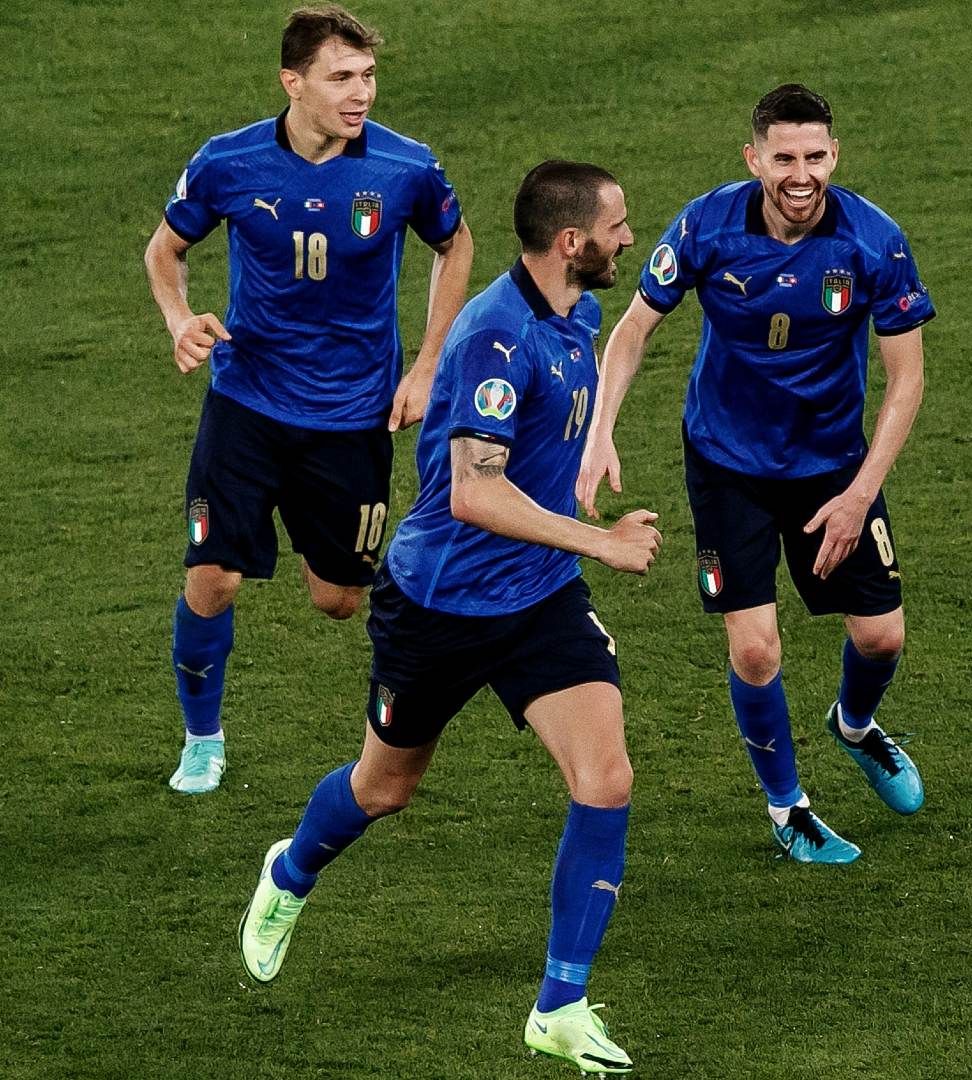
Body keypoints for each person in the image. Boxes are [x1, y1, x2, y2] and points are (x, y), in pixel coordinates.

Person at [238, 160, 658, 1075]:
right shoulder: (493, 338)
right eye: (619, 226)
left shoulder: (576, 317)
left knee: (607, 776)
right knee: (384, 788)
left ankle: (560, 1004)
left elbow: (546, 437)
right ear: (572, 242)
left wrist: (593, 448)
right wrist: (600, 542)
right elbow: (473, 495)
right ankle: (290, 874)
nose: (631, 237)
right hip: (439, 606)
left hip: (539, 599)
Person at [577, 84, 934, 864]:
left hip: (833, 468)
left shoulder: (873, 241)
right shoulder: (708, 224)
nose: (800, 175)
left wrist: (858, 495)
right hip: (727, 462)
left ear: (834, 155)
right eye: (784, 158)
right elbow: (633, 329)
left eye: (814, 157)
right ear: (754, 159)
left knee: (880, 636)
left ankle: (856, 726)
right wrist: (599, 432)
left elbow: (906, 379)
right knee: (756, 651)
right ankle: (789, 810)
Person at [143, 3, 474, 794]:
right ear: (292, 82)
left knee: (337, 600)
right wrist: (180, 319)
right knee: (212, 578)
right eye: (341, 78)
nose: (360, 94)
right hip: (247, 403)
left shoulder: (406, 168)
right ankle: (202, 738)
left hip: (353, 416)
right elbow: (167, 249)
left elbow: (454, 243)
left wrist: (429, 363)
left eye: (367, 77)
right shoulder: (228, 163)